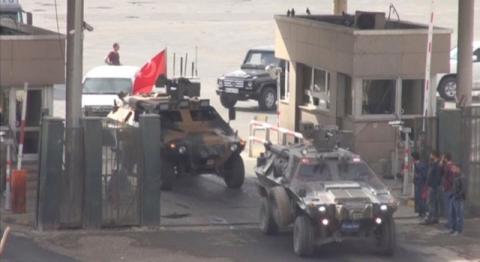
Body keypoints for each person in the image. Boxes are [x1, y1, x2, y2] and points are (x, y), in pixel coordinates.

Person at [422, 151, 442, 225]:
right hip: (432, 186)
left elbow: (437, 177)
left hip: (433, 187)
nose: (430, 156)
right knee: (433, 202)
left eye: (431, 155)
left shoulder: (436, 165)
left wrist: (432, 185)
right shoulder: (433, 164)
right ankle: (434, 217)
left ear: (434, 156)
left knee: (431, 202)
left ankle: (431, 218)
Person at [449, 164, 465, 235]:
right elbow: (454, 187)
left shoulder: (462, 177)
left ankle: (459, 230)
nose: (452, 169)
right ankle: (453, 228)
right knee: (452, 214)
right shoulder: (455, 176)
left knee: (459, 215)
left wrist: (457, 196)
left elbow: (463, 189)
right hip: (454, 197)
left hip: (458, 199)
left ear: (458, 168)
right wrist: (452, 195)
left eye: (454, 168)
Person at [441, 153, 455, 229]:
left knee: (449, 207)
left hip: (448, 189)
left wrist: (446, 187)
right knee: (450, 207)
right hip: (451, 189)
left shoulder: (448, 167)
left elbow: (449, 178)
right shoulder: (451, 166)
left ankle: (450, 223)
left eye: (443, 158)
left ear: (446, 158)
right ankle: (450, 222)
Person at [412, 151, 428, 218]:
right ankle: (420, 212)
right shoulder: (416, 164)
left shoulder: (420, 165)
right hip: (418, 183)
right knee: (419, 198)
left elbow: (423, 175)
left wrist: (417, 177)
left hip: (421, 184)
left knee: (421, 198)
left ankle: (423, 212)